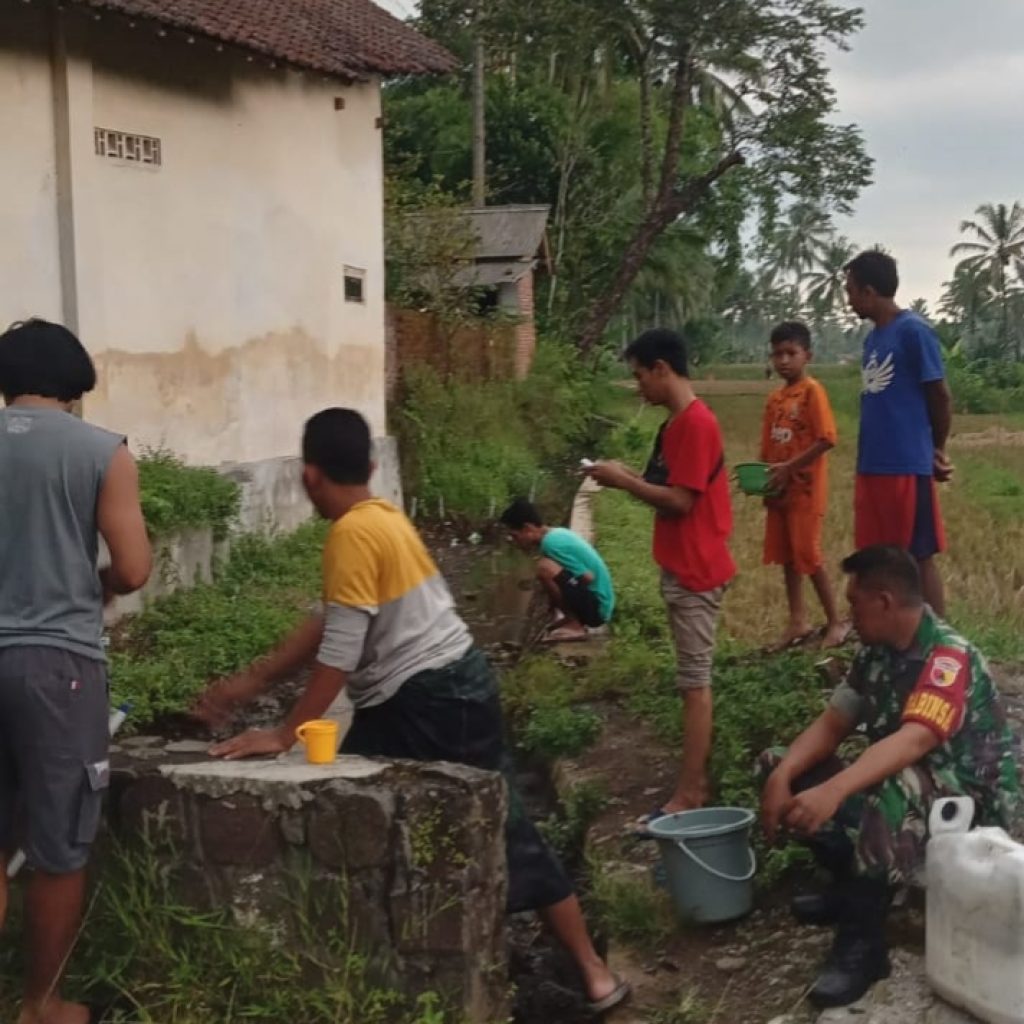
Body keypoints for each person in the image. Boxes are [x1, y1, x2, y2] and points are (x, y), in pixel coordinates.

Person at [193, 408, 630, 1016]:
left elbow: (341, 651)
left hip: (431, 698)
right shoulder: (383, 517)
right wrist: (253, 682)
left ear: (309, 476)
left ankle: (585, 972)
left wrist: (285, 732)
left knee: (480, 826)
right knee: (362, 814)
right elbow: (330, 620)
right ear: (372, 467)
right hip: (437, 691)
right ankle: (410, 953)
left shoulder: (351, 535)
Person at [759, 546, 1019, 1009]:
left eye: (854, 603)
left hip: (970, 807)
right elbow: (833, 724)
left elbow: (914, 742)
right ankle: (851, 884)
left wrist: (835, 790)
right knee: (778, 763)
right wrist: (783, 776)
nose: (849, 616)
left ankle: (864, 942)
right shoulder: (875, 653)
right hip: (914, 784)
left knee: (902, 782)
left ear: (884, 602)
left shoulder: (947, 657)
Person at [0, 320, 152, 1024]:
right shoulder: (101, 451)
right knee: (59, 845)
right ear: (73, 383)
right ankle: (42, 1004)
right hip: (57, 665)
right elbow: (133, 568)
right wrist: (98, 584)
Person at [585, 329, 735, 819]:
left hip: (697, 569)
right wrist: (625, 474)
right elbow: (664, 483)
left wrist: (623, 482)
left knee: (695, 684)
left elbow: (681, 500)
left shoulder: (697, 425)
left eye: (639, 376)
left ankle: (692, 791)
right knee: (689, 681)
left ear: (661, 369)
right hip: (682, 564)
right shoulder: (676, 425)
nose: (638, 387)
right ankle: (693, 782)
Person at [845, 250, 953, 616]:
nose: (849, 300)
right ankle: (890, 634)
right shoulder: (873, 340)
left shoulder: (913, 332)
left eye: (851, 291)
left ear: (869, 292)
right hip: (872, 465)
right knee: (878, 557)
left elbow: (939, 395)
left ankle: (939, 639)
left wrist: (936, 449)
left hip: (905, 465)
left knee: (917, 555)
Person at [760, 321, 846, 649]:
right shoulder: (775, 399)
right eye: (777, 354)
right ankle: (797, 619)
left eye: (790, 353)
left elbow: (827, 438)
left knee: (808, 553)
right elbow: (768, 445)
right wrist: (765, 482)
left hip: (805, 490)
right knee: (787, 555)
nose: (783, 360)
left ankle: (835, 621)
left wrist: (789, 468)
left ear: (807, 355)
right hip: (780, 489)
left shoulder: (812, 392)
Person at [500, 498, 615, 642]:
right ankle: (571, 619)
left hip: (597, 610)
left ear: (527, 528)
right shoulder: (557, 533)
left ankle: (575, 625)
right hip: (599, 606)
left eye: (515, 536)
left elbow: (588, 577)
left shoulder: (551, 543)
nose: (515, 542)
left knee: (544, 568)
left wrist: (565, 596)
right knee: (548, 568)